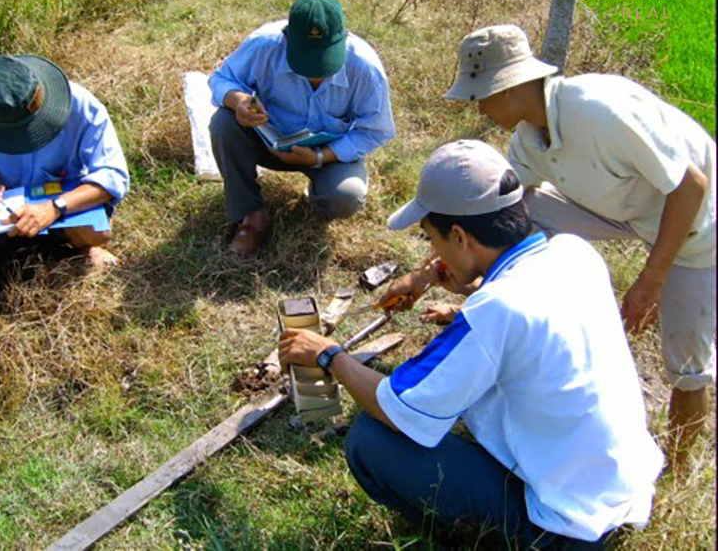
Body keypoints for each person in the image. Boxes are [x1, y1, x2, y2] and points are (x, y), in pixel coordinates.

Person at [278, 141, 663, 550]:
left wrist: (329, 354)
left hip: (563, 528)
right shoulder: (574, 252)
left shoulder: (497, 310)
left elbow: (398, 408)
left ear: (459, 236)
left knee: (372, 440)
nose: (432, 252)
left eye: (432, 239)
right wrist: (472, 283)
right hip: (623, 491)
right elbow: (528, 312)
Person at [444, 24, 715, 471]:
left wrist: (650, 281)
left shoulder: (599, 112)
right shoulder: (529, 137)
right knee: (522, 213)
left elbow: (691, 186)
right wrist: (451, 268)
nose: (479, 107)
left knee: (687, 366)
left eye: (480, 95)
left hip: (696, 224)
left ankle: (678, 475)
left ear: (507, 87)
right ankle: (516, 314)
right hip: (622, 207)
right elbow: (499, 210)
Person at [208, 0, 395, 256]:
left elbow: (375, 131)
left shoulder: (365, 67)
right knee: (223, 123)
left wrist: (320, 156)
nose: (314, 73)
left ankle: (318, 197)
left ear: (344, 38)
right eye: (305, 61)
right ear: (287, 39)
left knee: (347, 196)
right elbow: (221, 78)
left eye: (324, 62)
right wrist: (238, 100)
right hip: (267, 142)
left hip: (328, 154)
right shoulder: (264, 45)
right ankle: (251, 215)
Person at [0, 54, 129, 278]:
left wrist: (54, 208)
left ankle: (86, 248)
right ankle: (7, 254)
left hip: (65, 200)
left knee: (97, 232)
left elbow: (112, 175)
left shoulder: (82, 105)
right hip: (3, 209)